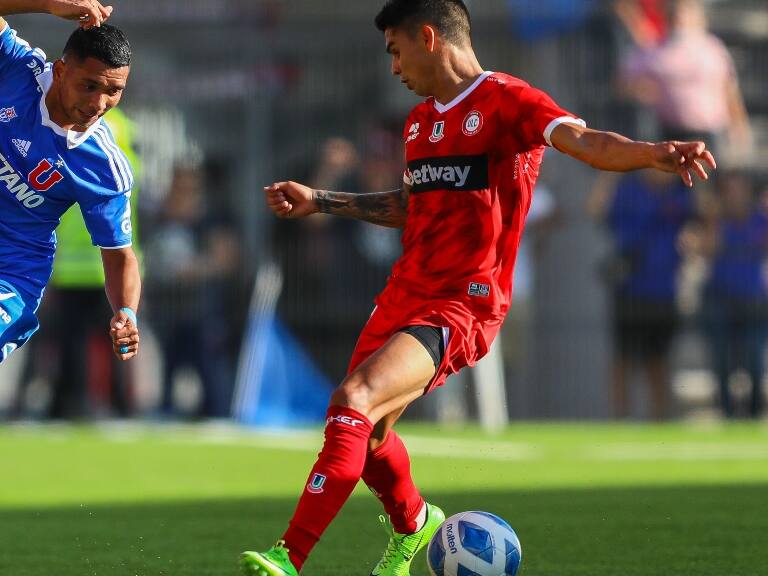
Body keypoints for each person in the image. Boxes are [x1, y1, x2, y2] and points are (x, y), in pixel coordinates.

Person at [241, 2, 716, 575]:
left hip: (461, 303)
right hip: (403, 294)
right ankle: (415, 524)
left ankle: (287, 557)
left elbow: (587, 141)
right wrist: (321, 201)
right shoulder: (419, 123)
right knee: (368, 434)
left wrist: (652, 154)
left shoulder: (508, 100)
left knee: (354, 399)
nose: (394, 68)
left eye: (396, 51)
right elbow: (412, 207)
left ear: (427, 36)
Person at [0, 1, 140, 368]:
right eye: (89, 86)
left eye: (114, 91)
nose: (98, 103)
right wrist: (47, 4)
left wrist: (126, 312)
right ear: (61, 71)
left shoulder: (103, 167)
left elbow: (119, 255)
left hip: (11, 272)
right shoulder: (19, 69)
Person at [589, 170, 694, 420]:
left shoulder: (680, 195)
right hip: (629, 292)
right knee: (622, 361)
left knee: (657, 362)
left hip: (663, 293)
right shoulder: (628, 191)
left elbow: (702, 220)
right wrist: (610, 170)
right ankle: (620, 421)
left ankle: (659, 421)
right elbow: (596, 210)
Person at [620, 0, 752, 160]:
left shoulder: (712, 49)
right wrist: (640, 89)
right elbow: (624, 84)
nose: (679, 19)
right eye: (674, 14)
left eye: (684, 13)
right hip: (667, 133)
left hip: (710, 132)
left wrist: (739, 127)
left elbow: (729, 89)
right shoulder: (651, 49)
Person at [700, 172, 768, 419]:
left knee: (754, 359)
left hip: (754, 300)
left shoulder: (761, 218)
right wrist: (713, 219)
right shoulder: (716, 219)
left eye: (739, 190)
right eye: (729, 190)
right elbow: (708, 249)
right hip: (720, 299)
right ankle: (727, 413)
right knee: (721, 360)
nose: (735, 196)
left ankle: (754, 413)